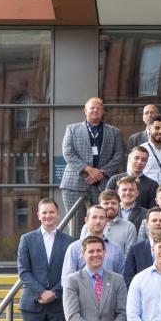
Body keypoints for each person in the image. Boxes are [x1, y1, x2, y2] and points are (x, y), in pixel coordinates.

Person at [60, 97, 123, 231]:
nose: (95, 110)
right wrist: (88, 169)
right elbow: (68, 153)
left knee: (103, 223)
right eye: (92, 107)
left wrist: (102, 173)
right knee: (76, 226)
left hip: (103, 183)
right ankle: (76, 251)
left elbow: (118, 156)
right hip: (75, 183)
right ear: (85, 110)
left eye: (99, 108)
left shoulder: (114, 132)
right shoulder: (72, 129)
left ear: (103, 111)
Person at [63, 205, 126, 277]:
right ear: (86, 220)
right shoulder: (74, 248)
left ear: (106, 221)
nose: (98, 221)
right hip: (81, 288)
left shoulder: (116, 248)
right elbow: (67, 279)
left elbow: (123, 278)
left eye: (102, 218)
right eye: (94, 217)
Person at [80, 190, 136, 255]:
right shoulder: (88, 226)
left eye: (113, 203)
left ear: (119, 205)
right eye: (106, 203)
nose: (110, 206)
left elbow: (129, 256)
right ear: (100, 205)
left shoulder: (129, 227)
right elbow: (82, 252)